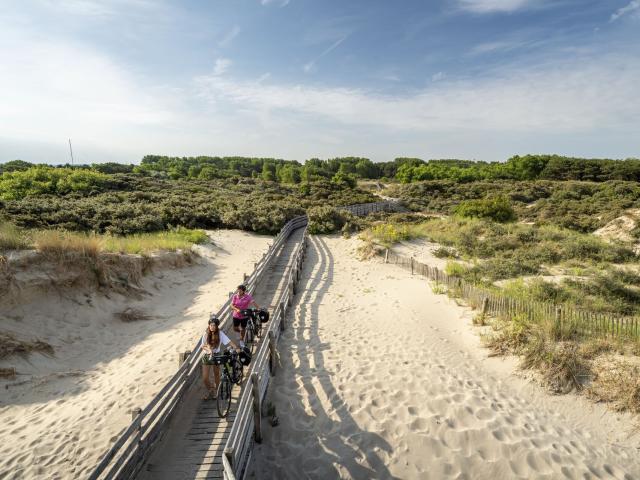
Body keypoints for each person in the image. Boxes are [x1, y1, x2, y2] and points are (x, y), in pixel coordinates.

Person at [201, 314, 240, 400]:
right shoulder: (206, 334)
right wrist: (209, 350)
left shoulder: (220, 333)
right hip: (206, 355)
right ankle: (211, 389)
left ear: (217, 326)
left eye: (214, 325)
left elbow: (229, 341)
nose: (212, 327)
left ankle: (217, 391)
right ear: (209, 325)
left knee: (216, 374)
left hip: (216, 355)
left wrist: (236, 348)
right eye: (211, 325)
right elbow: (203, 346)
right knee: (205, 377)